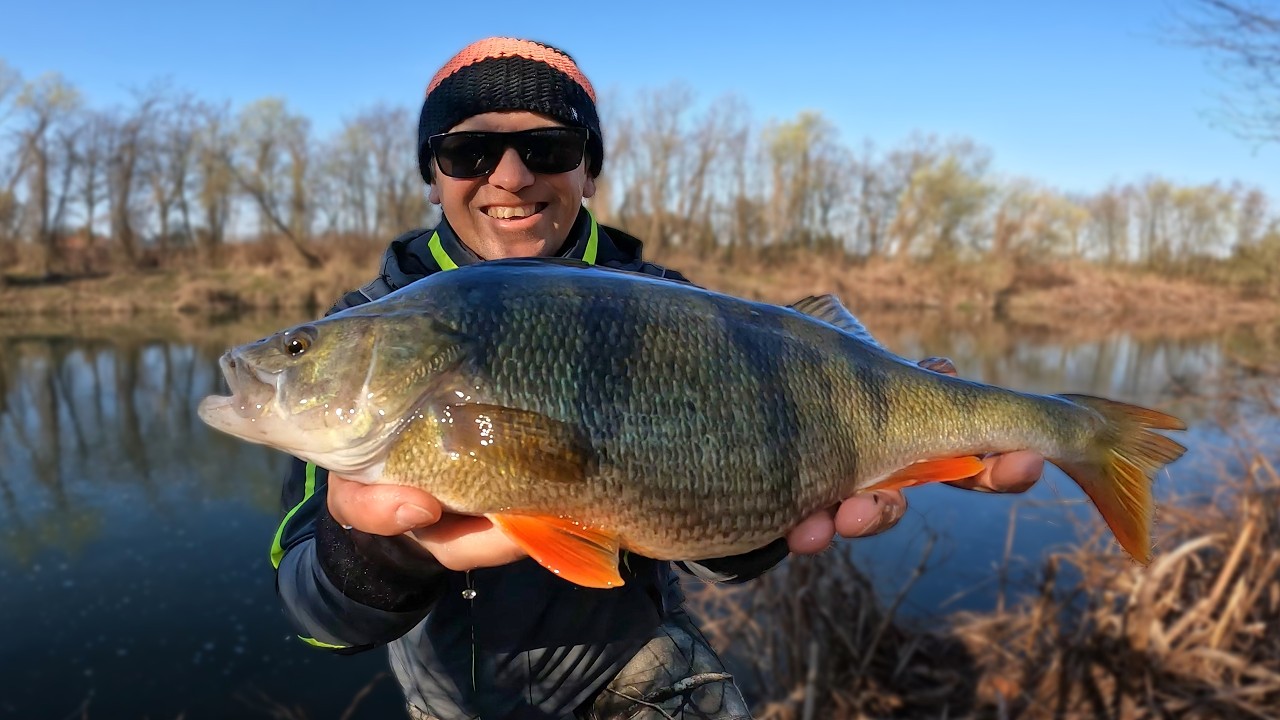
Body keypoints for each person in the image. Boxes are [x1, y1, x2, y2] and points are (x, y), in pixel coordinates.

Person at [271, 37, 1045, 720]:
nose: (508, 175)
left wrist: (754, 521)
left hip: (641, 670)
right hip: (451, 698)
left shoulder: (671, 308)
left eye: (548, 147)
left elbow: (714, 547)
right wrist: (383, 553)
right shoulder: (362, 331)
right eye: (467, 152)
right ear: (433, 178)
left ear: (590, 171)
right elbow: (316, 617)